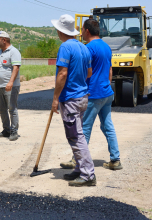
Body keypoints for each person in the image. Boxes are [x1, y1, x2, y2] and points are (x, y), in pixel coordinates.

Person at [60, 19, 122, 171]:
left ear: (87, 31)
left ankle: (77, 161)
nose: (80, 32)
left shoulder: (88, 48)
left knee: (83, 129)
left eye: (82, 30)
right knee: (108, 126)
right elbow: (110, 71)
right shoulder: (106, 47)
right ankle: (115, 159)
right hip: (107, 92)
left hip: (94, 93)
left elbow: (86, 72)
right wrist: (106, 85)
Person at [51, 14, 96, 187]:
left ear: (61, 30)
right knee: (78, 134)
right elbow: (89, 73)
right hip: (83, 97)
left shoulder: (65, 47)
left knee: (75, 137)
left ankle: (87, 174)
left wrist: (55, 98)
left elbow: (62, 73)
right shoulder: (84, 48)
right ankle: (79, 168)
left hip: (70, 99)